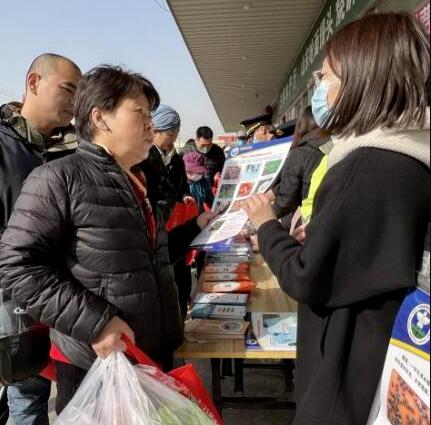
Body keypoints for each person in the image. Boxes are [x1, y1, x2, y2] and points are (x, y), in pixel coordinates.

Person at [243, 12, 430, 425]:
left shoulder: (366, 165)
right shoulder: (413, 157)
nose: (319, 91)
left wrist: (266, 224)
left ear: (363, 79)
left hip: (347, 382)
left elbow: (306, 278)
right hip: (387, 366)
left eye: (325, 77)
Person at [0, 65, 215, 415]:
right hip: (95, 366)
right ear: (100, 118)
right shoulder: (58, 178)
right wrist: (96, 324)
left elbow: (145, 259)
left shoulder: (137, 181)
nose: (151, 126)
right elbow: (16, 266)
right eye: (140, 113)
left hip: (147, 360)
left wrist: (196, 228)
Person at [0, 53, 81, 425]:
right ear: (34, 83)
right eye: (68, 89)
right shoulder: (5, 145)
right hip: (14, 296)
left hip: (58, 297)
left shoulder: (71, 147)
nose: (74, 100)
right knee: (28, 398)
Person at [151, 104, 195, 318]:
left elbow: (182, 186)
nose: (172, 141)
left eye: (175, 135)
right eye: (170, 135)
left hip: (176, 223)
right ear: (155, 130)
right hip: (158, 229)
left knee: (181, 277)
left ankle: (182, 312)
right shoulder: (144, 159)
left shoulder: (176, 159)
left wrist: (185, 195)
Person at [268, 107, 330, 227]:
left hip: (308, 222)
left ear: (301, 126)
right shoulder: (330, 146)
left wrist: (264, 219)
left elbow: (286, 200)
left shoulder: (299, 154)